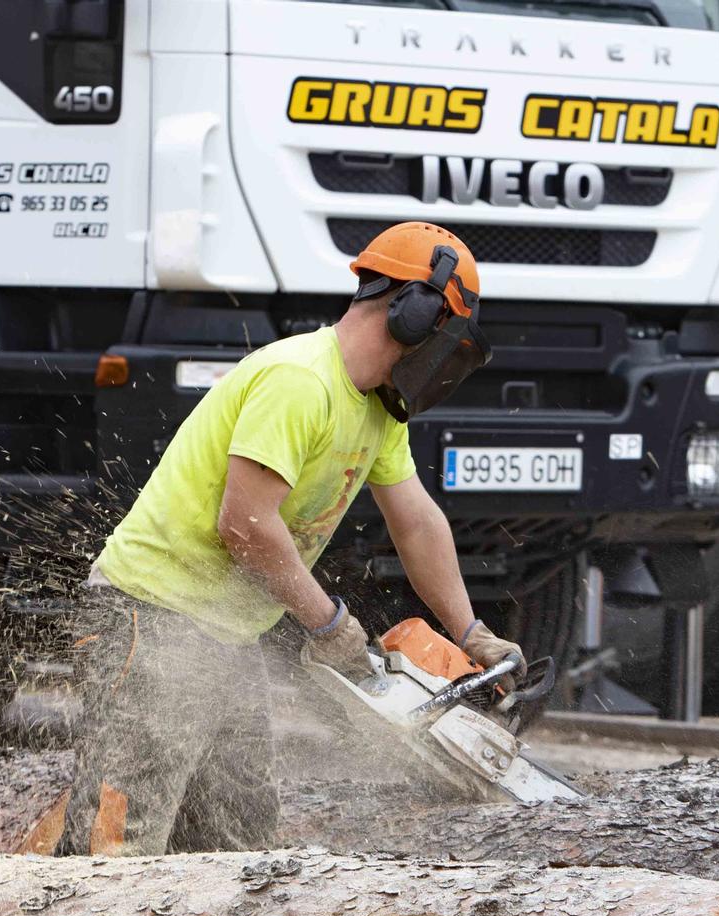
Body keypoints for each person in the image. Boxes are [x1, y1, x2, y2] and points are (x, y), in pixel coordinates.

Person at [62, 222, 522, 856]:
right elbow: (246, 525)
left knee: (235, 835)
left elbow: (416, 521)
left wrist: (470, 632)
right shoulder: (301, 382)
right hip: (152, 615)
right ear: (414, 314)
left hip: (225, 635)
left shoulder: (376, 409)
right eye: (443, 335)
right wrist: (327, 622)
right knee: (119, 834)